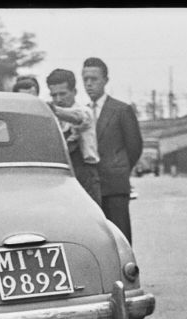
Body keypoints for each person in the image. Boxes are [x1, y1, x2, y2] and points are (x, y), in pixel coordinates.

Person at [81, 56, 142, 242]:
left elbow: (134, 146)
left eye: (94, 79)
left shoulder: (121, 110)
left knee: (120, 237)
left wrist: (120, 168)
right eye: (85, 80)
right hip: (91, 188)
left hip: (115, 186)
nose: (89, 84)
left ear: (105, 81)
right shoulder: (82, 112)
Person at [46, 68, 101, 205]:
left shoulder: (84, 111)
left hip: (85, 174)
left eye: (63, 94)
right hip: (61, 177)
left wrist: (53, 110)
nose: (58, 99)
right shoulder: (51, 119)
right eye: (54, 95)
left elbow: (78, 117)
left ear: (74, 92)